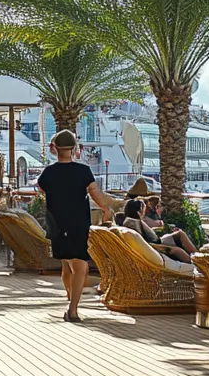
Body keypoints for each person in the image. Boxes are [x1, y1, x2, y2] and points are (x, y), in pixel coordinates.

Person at [37, 130, 113, 322]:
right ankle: (73, 309)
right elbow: (95, 193)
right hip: (78, 222)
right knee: (79, 267)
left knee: (66, 265)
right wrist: (105, 208)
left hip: (56, 223)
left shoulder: (48, 173)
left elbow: (42, 190)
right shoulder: (83, 171)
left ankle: (71, 298)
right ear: (74, 148)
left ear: (54, 149)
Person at [116, 199, 196, 263]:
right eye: (144, 210)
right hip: (155, 244)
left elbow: (145, 234)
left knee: (179, 234)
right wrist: (165, 248)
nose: (144, 212)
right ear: (138, 211)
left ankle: (196, 256)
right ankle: (196, 261)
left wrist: (154, 230)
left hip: (155, 240)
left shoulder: (133, 221)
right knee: (179, 247)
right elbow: (143, 242)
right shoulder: (133, 223)